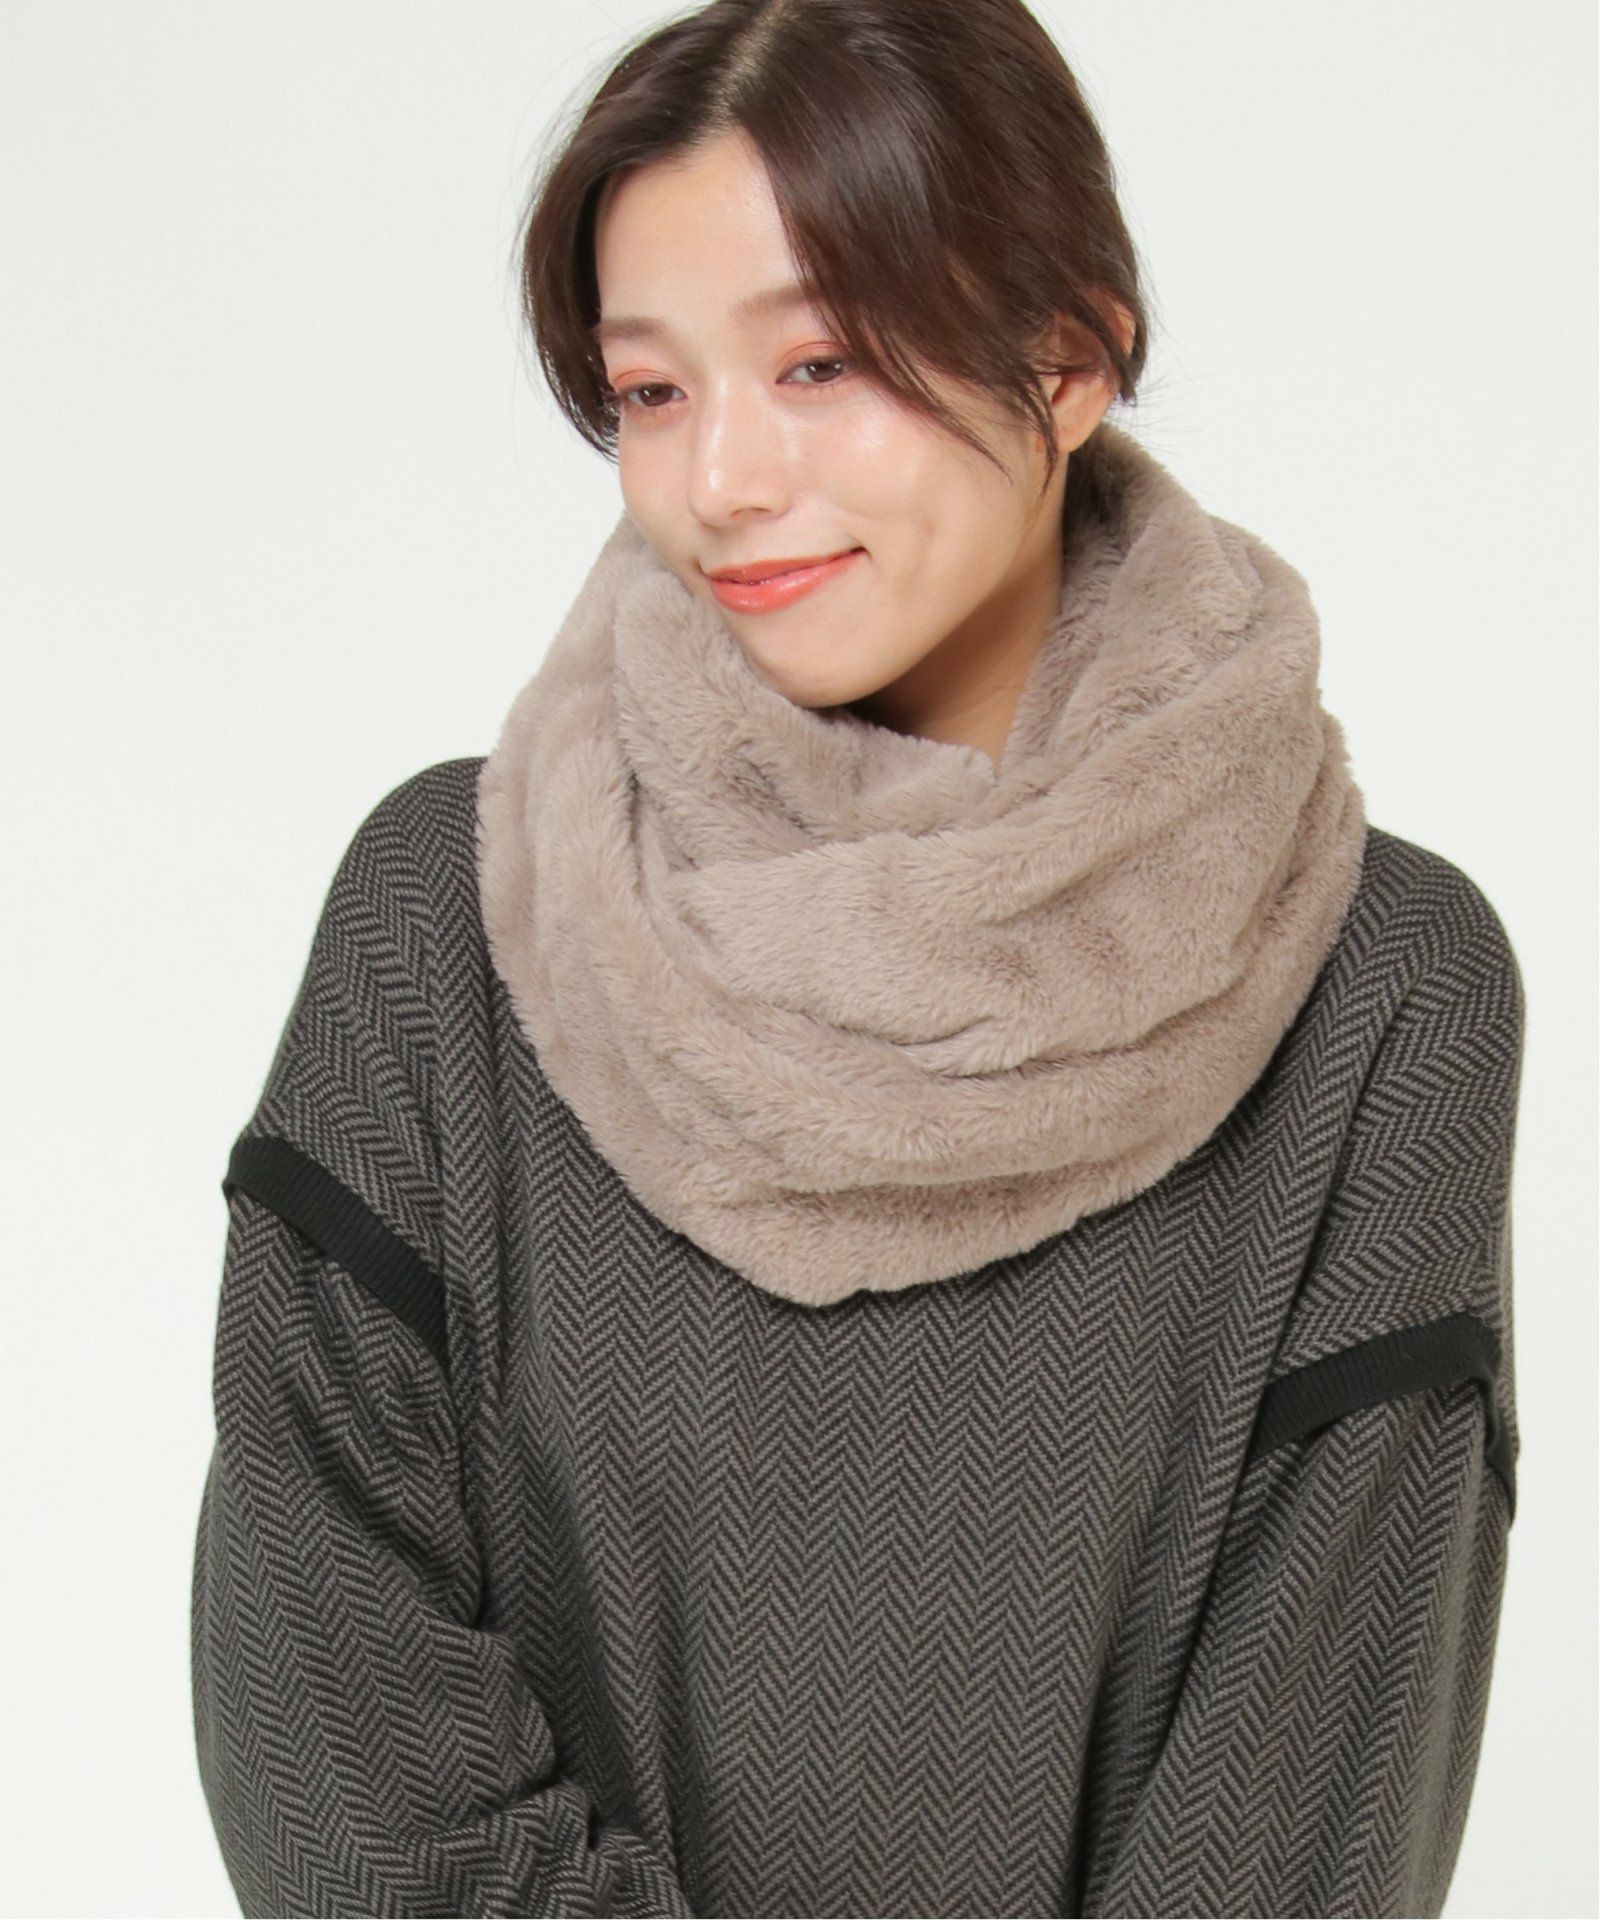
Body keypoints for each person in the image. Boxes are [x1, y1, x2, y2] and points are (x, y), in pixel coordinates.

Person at [190, 2, 1525, 1915]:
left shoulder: (1380, 990)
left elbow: (1303, 1818)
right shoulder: (457, 916)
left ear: (1071, 354)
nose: (721, 477)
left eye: (816, 362)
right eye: (652, 390)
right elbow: (334, 1729)